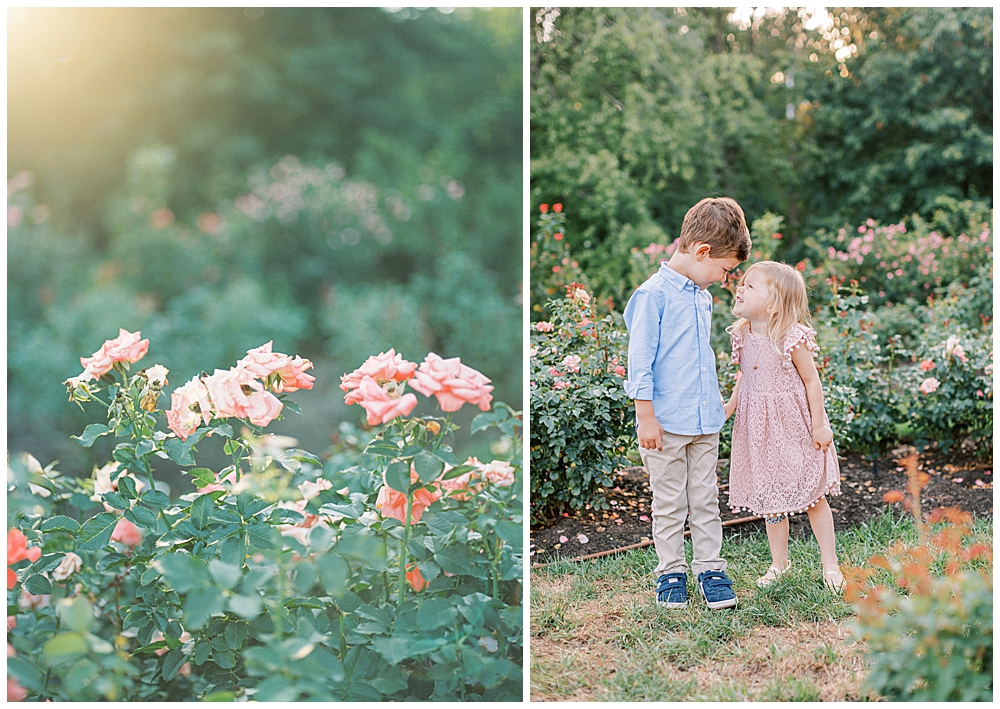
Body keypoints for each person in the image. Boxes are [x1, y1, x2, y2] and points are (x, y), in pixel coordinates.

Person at [623, 197, 751, 609]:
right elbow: (640, 361)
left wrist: (715, 400)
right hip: (664, 424)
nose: (724, 278)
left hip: (703, 422)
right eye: (724, 269)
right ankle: (671, 572)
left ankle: (711, 568)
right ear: (701, 253)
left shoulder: (700, 295)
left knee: (705, 498)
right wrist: (645, 416)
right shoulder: (652, 296)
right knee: (670, 501)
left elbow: (698, 355)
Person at [723, 260, 844, 592]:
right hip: (759, 427)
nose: (740, 288)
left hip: (794, 426)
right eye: (742, 283)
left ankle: (830, 565)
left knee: (813, 493)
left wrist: (819, 426)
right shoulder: (743, 334)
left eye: (750, 285)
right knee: (771, 497)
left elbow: (812, 381)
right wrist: (730, 406)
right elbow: (746, 375)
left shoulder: (791, 337)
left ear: (774, 302)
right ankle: (779, 563)